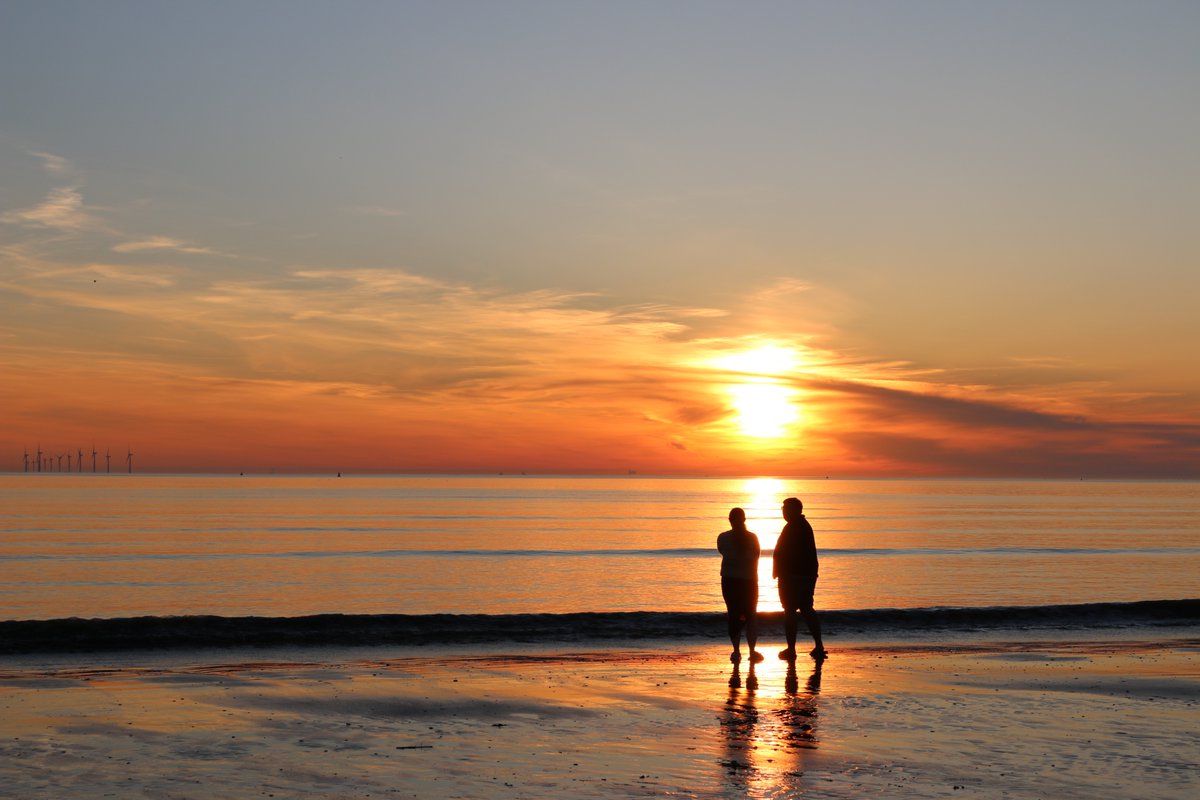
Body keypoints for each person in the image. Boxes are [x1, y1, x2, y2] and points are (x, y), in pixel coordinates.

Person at [773, 497, 826, 660]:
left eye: (786, 508)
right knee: (805, 608)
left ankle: (792, 649)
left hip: (795, 576)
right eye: (783, 508)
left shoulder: (797, 527)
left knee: (791, 610)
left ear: (796, 510)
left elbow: (789, 553)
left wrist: (781, 571)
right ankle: (816, 645)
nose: (783, 511)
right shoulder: (797, 526)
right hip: (802, 575)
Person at [717, 507, 764, 664]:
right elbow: (757, 556)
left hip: (730, 581)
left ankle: (736, 651)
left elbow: (722, 552)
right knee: (751, 615)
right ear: (744, 520)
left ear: (730, 520)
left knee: (733, 615)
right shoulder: (753, 538)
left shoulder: (723, 538)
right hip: (749, 581)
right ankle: (751, 651)